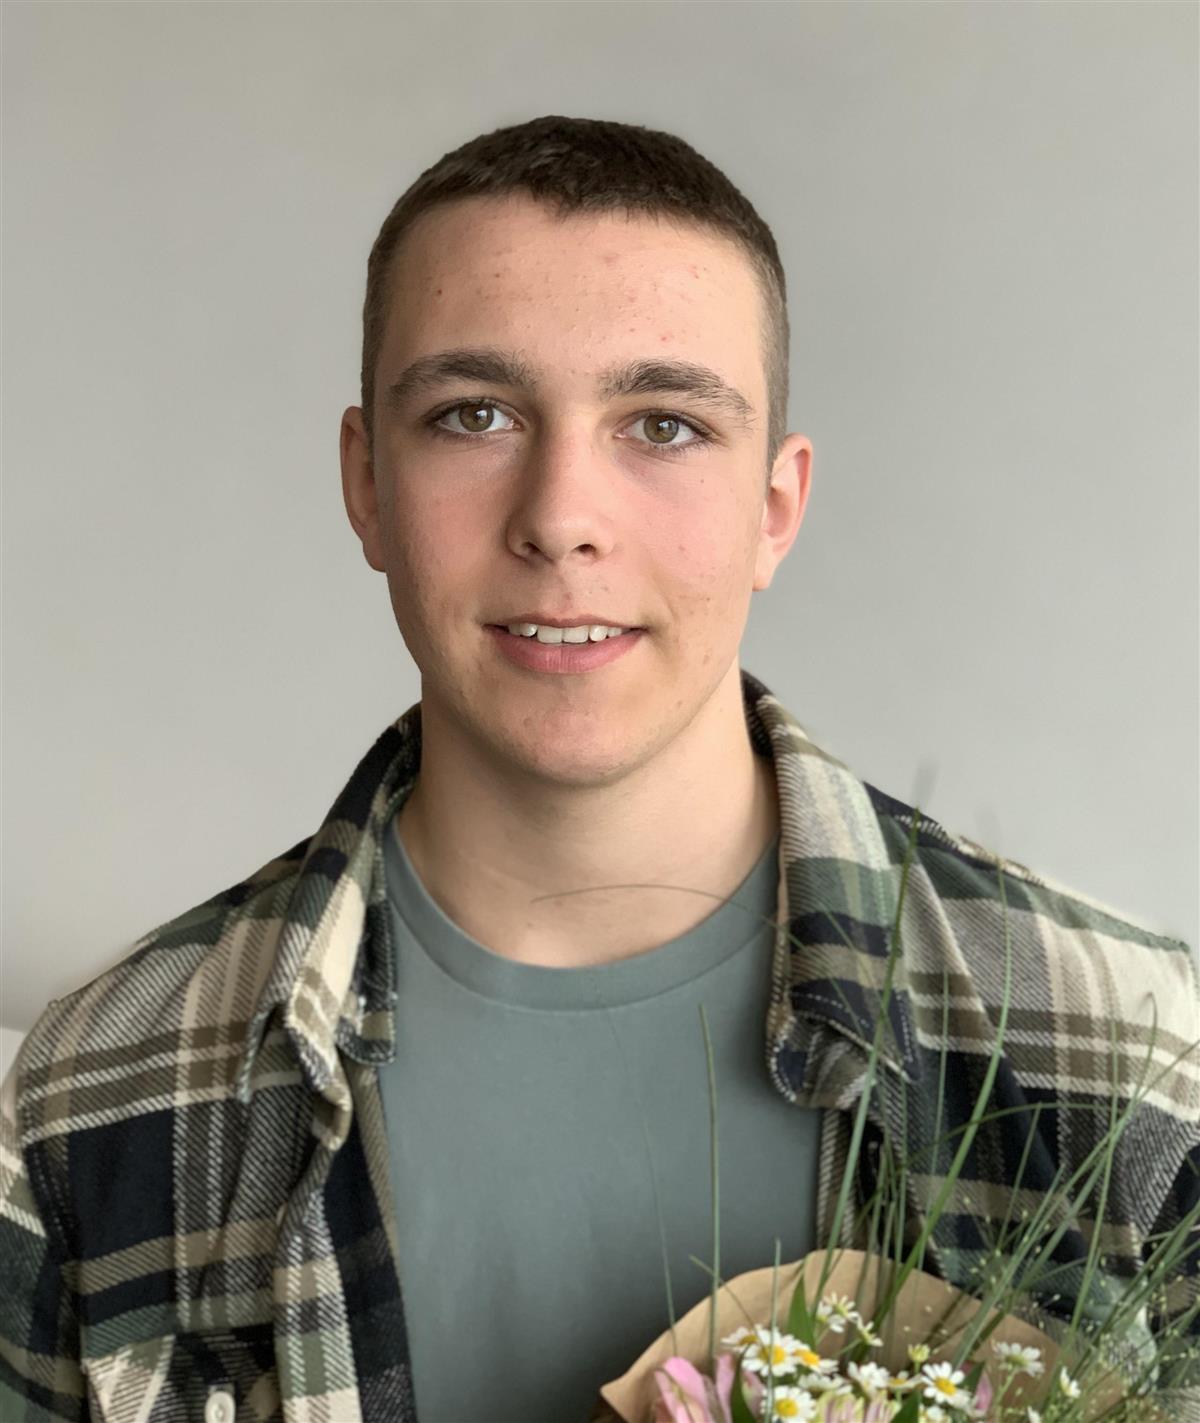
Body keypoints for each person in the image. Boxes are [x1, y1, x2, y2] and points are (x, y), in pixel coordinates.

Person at [2, 114, 1196, 1423]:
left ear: (776, 508)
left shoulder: (1134, 1060)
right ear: (367, 485)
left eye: (664, 426)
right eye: (473, 416)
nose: (561, 517)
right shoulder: (89, 1105)